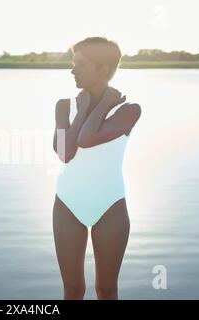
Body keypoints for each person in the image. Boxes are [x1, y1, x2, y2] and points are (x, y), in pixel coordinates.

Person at [52, 37, 142, 300]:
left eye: (80, 64)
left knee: (106, 289)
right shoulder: (64, 106)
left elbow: (87, 139)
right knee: (73, 291)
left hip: (110, 206)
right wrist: (81, 110)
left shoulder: (129, 110)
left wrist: (102, 104)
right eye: (73, 63)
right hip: (67, 204)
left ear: (103, 70)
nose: (72, 70)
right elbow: (65, 153)